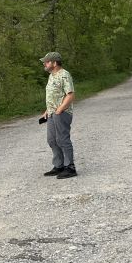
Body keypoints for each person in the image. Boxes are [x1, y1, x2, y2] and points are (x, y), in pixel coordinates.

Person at [40, 51, 76, 179]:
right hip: (51, 113)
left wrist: (60, 109)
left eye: (47, 61)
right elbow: (53, 95)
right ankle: (59, 165)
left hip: (62, 112)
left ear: (54, 63)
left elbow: (70, 94)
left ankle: (70, 167)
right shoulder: (51, 76)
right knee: (52, 140)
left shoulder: (64, 75)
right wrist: (47, 110)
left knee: (62, 139)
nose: (44, 63)